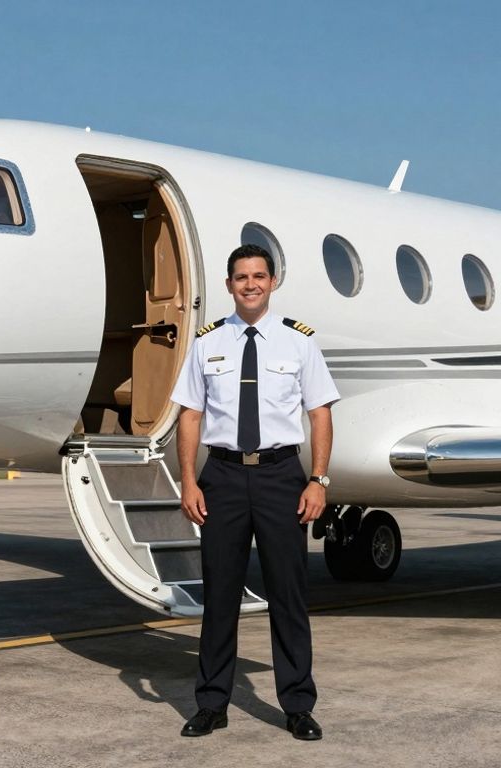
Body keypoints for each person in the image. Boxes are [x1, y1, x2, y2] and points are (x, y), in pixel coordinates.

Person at [169, 243, 340, 741]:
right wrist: (188, 480)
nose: (250, 284)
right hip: (220, 476)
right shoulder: (206, 342)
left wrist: (318, 478)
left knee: (288, 594)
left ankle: (297, 705)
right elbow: (190, 415)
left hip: (281, 475)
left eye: (259, 276)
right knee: (219, 595)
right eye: (241, 277)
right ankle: (212, 703)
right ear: (228, 285)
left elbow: (320, 413)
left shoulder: (298, 342)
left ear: (273, 282)